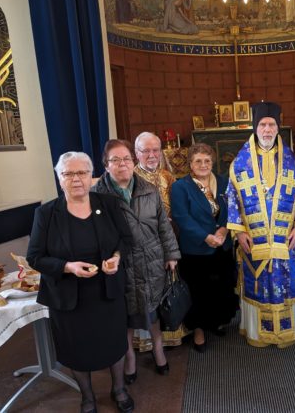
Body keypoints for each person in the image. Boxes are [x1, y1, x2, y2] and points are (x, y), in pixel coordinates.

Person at [27, 152, 134, 413]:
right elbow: (35, 257)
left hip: (106, 290)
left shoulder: (109, 204)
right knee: (76, 349)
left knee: (114, 343)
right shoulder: (46, 213)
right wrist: (67, 267)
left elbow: (126, 239)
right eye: (68, 173)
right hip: (68, 296)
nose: (76, 179)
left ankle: (119, 389)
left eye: (82, 173)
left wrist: (116, 257)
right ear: (59, 178)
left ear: (91, 176)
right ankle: (87, 397)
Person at [226, 102, 295, 348]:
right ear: (255, 128)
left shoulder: (292, 161)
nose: (267, 130)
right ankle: (258, 334)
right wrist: (239, 232)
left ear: (278, 127)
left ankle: (285, 332)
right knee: (257, 283)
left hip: (284, 238)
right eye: (262, 125)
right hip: (253, 239)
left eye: (271, 125)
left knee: (285, 281)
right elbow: (232, 198)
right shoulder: (240, 163)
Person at [92, 139, 180, 386]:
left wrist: (171, 254)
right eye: (115, 160)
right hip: (119, 265)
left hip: (152, 259)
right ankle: (129, 357)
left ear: (133, 161)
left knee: (153, 310)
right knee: (125, 315)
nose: (122, 164)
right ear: (106, 165)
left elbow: (163, 225)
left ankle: (158, 350)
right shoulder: (97, 195)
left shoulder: (148, 189)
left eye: (126, 159)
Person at [171, 143, 238, 352]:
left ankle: (216, 321)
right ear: (190, 164)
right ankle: (199, 330)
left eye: (207, 160)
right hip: (196, 249)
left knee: (221, 288)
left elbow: (232, 209)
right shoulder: (181, 186)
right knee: (198, 292)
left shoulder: (224, 181)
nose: (203, 164)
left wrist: (224, 230)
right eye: (198, 161)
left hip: (222, 246)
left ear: (212, 162)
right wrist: (205, 237)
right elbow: (182, 217)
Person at [134, 131, 187, 348]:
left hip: (168, 241)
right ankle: (149, 340)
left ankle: (171, 332)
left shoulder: (168, 176)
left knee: (170, 286)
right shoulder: (131, 179)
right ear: (137, 153)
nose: (152, 155)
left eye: (155, 150)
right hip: (143, 247)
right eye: (146, 151)